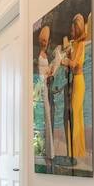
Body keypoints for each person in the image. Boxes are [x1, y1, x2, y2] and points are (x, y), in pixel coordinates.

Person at [61, 13, 86, 158]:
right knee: (75, 113)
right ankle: (75, 149)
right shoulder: (77, 43)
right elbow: (75, 59)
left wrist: (64, 62)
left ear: (77, 29)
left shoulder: (81, 44)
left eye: (72, 30)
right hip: (76, 79)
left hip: (78, 81)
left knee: (76, 114)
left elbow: (74, 63)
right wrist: (69, 56)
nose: (71, 33)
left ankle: (77, 150)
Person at [37, 26, 55, 160]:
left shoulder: (44, 55)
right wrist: (48, 73)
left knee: (48, 119)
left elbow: (44, 72)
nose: (46, 43)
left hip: (45, 88)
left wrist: (50, 69)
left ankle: (48, 153)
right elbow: (41, 76)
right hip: (43, 90)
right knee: (47, 119)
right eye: (45, 41)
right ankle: (47, 154)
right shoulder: (40, 56)